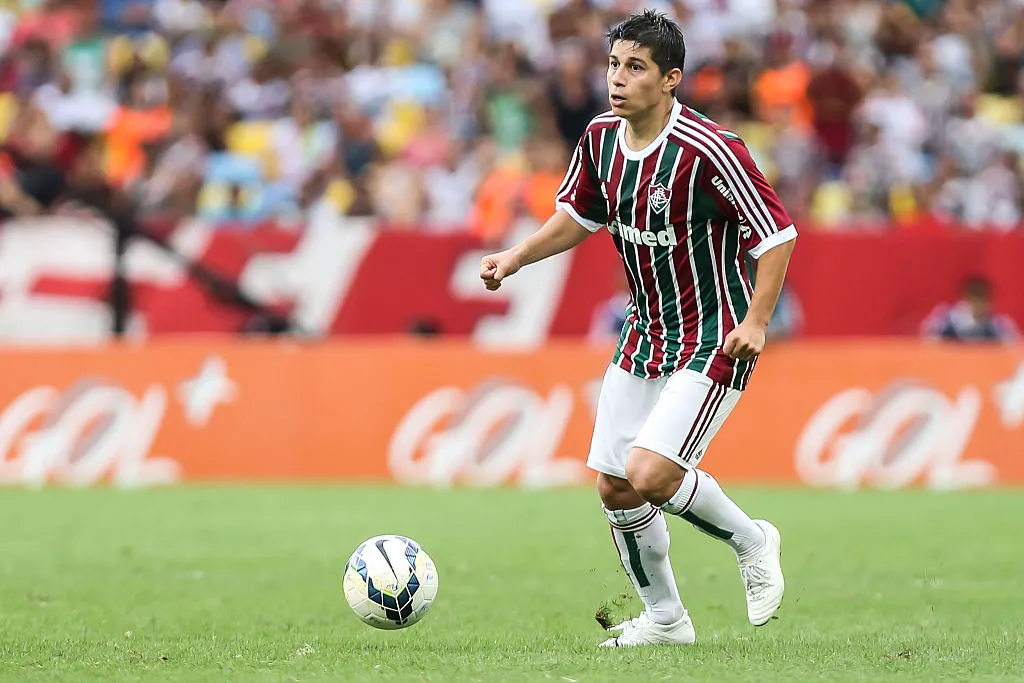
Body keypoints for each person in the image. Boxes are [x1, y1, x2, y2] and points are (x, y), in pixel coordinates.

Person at [480, 10, 797, 647]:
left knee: (651, 473)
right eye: (613, 65)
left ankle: (753, 540)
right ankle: (666, 621)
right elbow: (579, 215)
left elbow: (777, 235)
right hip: (643, 334)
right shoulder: (600, 138)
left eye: (634, 67)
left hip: (713, 335)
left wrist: (758, 322)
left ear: (671, 78)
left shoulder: (709, 150)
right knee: (617, 487)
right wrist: (515, 257)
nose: (617, 79)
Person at [921, 275, 1020, 343]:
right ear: (964, 298)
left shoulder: (998, 324)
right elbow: (928, 340)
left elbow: (1014, 346)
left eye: (983, 301)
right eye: (974, 300)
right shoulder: (945, 318)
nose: (978, 305)